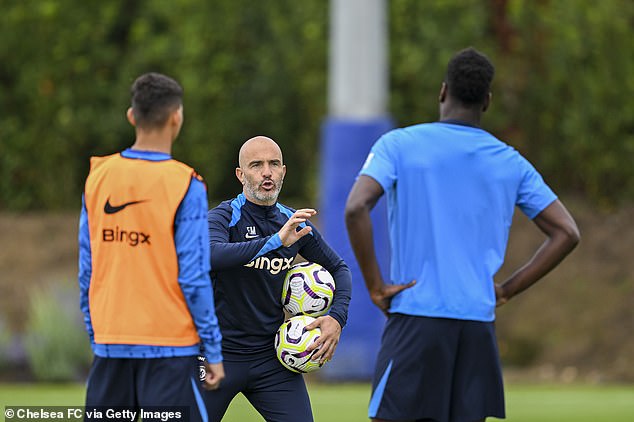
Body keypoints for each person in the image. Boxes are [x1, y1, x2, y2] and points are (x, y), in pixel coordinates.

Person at [345, 48, 580, 422]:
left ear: (443, 91)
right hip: (477, 328)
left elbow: (356, 207)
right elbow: (567, 232)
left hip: (416, 317)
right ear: (486, 101)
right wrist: (506, 289)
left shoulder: (399, 145)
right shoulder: (510, 161)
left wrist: (375, 286)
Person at [78, 72, 225, 421]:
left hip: (110, 344)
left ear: (132, 116)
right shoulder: (185, 184)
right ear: (177, 117)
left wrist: (96, 327)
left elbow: (88, 264)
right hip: (169, 349)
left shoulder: (98, 175)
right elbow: (193, 276)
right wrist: (213, 350)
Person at [203, 135, 352, 422]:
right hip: (216, 355)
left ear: (283, 171)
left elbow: (340, 268)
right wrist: (275, 241)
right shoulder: (223, 217)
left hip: (271, 359)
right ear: (240, 174)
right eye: (256, 165)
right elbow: (212, 255)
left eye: (273, 164)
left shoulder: (292, 222)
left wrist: (337, 318)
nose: (266, 172)